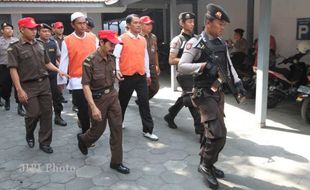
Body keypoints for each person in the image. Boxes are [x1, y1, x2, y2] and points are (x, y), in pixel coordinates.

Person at [178, 4, 246, 189]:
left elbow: (229, 66)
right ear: (208, 22)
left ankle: (207, 162)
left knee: (214, 132)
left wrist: (238, 84)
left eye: (224, 25)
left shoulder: (221, 43)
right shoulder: (195, 43)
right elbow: (182, 66)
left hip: (218, 92)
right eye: (219, 24)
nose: (222, 28)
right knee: (218, 134)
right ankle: (205, 165)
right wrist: (202, 66)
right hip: (203, 93)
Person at [7, 17, 68, 153]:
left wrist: (59, 70)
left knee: (47, 114)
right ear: (22, 29)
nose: (34, 31)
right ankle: (29, 133)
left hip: (44, 83)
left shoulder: (40, 44)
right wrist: (19, 90)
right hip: (28, 86)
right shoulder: (15, 48)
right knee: (33, 114)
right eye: (31, 29)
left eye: (35, 28)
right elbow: (13, 70)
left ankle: (44, 142)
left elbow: (47, 62)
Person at [77, 30, 130, 174]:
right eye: (111, 44)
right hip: (97, 99)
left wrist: (117, 75)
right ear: (101, 42)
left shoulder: (112, 58)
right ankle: (84, 139)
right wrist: (93, 107)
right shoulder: (89, 61)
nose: (113, 47)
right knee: (98, 130)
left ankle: (116, 162)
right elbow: (86, 85)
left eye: (115, 44)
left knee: (117, 128)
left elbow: (111, 74)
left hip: (112, 96)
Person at [113, 14, 158, 141]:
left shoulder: (142, 40)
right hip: (127, 76)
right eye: (135, 23)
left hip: (141, 75)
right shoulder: (121, 39)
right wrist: (117, 70)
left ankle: (148, 130)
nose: (139, 25)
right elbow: (116, 57)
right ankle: (118, 123)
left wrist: (148, 74)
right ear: (128, 25)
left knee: (144, 102)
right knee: (122, 102)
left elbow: (145, 57)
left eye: (139, 23)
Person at [163, 12, 204, 136]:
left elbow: (203, 53)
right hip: (184, 74)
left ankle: (170, 115)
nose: (192, 24)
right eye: (189, 21)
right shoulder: (178, 40)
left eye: (193, 21)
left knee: (185, 98)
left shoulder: (197, 39)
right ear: (181, 23)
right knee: (192, 99)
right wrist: (188, 61)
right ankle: (200, 129)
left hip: (196, 73)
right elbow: (171, 60)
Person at [57, 12, 98, 134]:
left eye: (84, 23)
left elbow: (98, 57)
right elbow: (64, 61)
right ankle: (86, 133)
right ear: (72, 25)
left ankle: (87, 124)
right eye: (79, 23)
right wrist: (61, 81)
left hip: (93, 79)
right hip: (77, 81)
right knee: (83, 108)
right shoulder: (67, 40)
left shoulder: (93, 37)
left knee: (93, 106)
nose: (82, 26)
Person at [37, 23, 67, 126]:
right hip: (40, 76)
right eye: (44, 31)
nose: (46, 33)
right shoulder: (35, 43)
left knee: (57, 96)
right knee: (43, 99)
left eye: (48, 31)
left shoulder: (53, 43)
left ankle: (58, 117)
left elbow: (58, 57)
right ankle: (43, 119)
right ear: (38, 32)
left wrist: (62, 69)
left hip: (53, 75)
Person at [0, 22, 26, 115]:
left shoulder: (16, 40)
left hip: (16, 67)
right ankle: (6, 99)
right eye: (7, 28)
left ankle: (20, 107)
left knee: (18, 86)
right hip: (4, 67)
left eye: (11, 28)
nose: (10, 30)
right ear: (2, 31)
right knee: (5, 87)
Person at [139, 16, 160, 100]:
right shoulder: (138, 37)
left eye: (151, 24)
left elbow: (155, 52)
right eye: (147, 24)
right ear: (141, 25)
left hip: (152, 66)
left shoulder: (153, 37)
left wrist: (157, 65)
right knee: (144, 88)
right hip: (142, 67)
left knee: (155, 88)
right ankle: (143, 102)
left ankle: (142, 100)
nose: (150, 26)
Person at [51, 21, 68, 104]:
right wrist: (58, 63)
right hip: (56, 62)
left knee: (65, 79)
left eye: (62, 27)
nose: (61, 29)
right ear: (54, 29)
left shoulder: (67, 38)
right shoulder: (52, 39)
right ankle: (59, 95)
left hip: (67, 61)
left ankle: (60, 94)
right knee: (59, 81)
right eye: (58, 28)